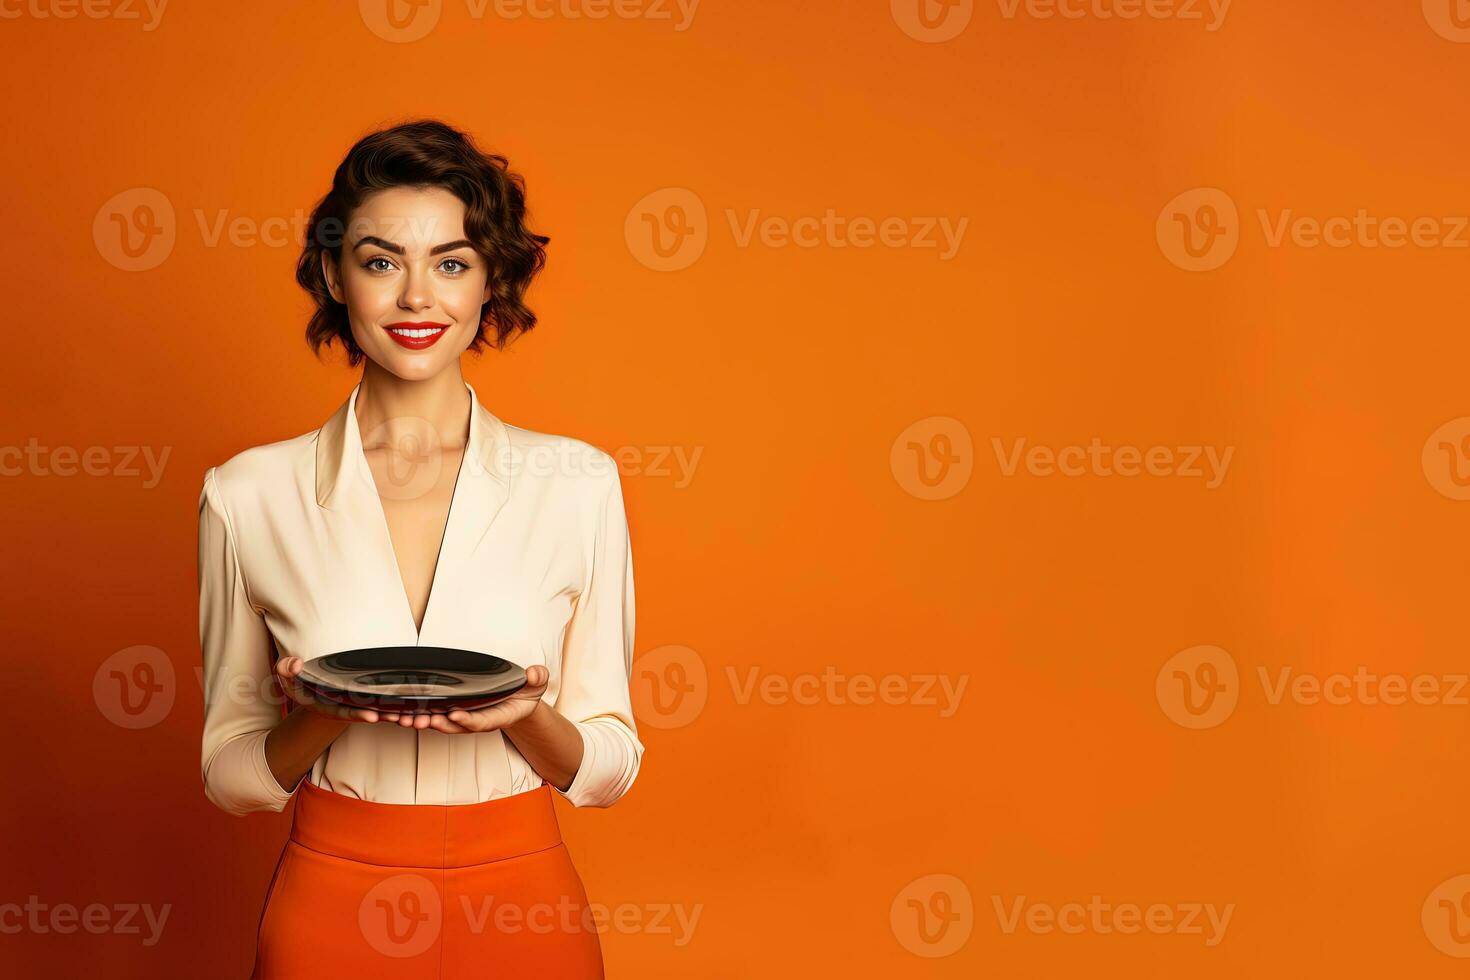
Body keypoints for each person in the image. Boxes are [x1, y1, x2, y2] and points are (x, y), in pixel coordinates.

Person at [196, 119, 642, 978]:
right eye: (379, 262)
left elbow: (610, 763)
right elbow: (230, 774)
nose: (415, 299)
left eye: (450, 263)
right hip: (331, 896)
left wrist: (528, 716)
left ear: (486, 283)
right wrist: (325, 709)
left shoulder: (577, 484)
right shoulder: (246, 494)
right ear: (335, 274)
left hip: (522, 901)